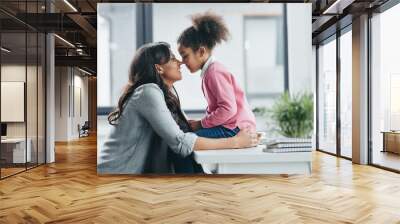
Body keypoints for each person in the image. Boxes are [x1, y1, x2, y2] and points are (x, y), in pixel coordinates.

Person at [98, 42, 259, 174]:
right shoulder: (148, 92)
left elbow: (185, 131)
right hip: (115, 174)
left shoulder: (166, 95)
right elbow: (181, 142)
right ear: (159, 68)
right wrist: (236, 141)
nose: (180, 62)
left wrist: (241, 130)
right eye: (173, 58)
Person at [178, 12, 257, 139]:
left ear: (201, 51)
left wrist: (201, 123)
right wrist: (201, 122)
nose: (182, 61)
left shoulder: (214, 72)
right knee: (189, 136)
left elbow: (228, 109)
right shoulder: (209, 71)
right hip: (230, 125)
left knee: (190, 140)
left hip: (235, 128)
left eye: (185, 56)